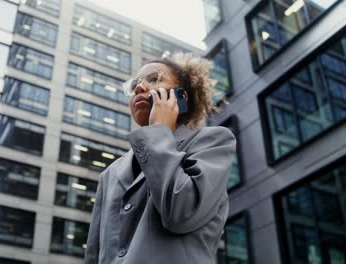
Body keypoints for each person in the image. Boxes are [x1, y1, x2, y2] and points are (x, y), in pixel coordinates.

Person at [84, 53, 236, 264]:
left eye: (154, 79)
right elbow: (95, 254)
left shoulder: (213, 141)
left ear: (182, 96)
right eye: (135, 84)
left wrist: (158, 130)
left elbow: (181, 214)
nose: (139, 87)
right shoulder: (109, 174)